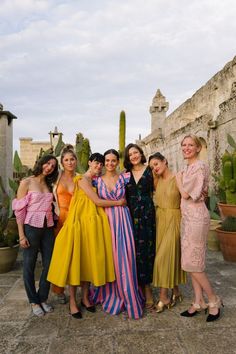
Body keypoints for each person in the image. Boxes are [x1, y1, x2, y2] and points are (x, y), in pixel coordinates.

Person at [47, 153, 126, 319]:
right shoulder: (82, 179)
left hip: (91, 225)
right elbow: (97, 201)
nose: (98, 167)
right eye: (95, 164)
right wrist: (119, 203)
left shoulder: (95, 181)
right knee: (77, 261)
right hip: (79, 224)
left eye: (100, 165)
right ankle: (73, 302)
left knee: (88, 261)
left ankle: (85, 298)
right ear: (89, 163)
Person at [176, 134, 223, 322]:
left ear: (198, 148)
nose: (186, 148)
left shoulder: (199, 166)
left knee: (193, 262)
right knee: (191, 262)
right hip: (188, 218)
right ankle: (198, 301)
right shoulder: (189, 167)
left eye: (190, 145)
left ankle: (213, 299)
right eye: (184, 145)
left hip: (196, 218)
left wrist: (178, 180)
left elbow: (186, 194)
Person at [93, 149, 143, 319]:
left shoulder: (125, 177)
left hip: (123, 219)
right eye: (107, 161)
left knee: (125, 256)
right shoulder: (96, 181)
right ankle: (109, 294)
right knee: (110, 258)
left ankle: (128, 295)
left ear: (118, 162)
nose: (110, 164)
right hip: (106, 221)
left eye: (113, 160)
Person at [12, 154, 59, 317]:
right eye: (47, 163)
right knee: (29, 265)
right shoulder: (26, 182)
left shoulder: (49, 184)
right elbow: (19, 210)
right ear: (41, 163)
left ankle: (42, 298)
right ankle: (33, 301)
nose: (49, 167)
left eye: (53, 166)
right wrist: (22, 235)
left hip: (48, 227)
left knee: (49, 264)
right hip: (30, 227)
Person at [149, 152, 186, 313]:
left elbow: (187, 198)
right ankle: (176, 291)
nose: (155, 168)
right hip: (160, 220)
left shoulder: (178, 177)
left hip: (174, 218)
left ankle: (164, 296)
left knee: (163, 258)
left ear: (165, 161)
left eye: (156, 164)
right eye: (152, 166)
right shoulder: (156, 181)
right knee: (169, 256)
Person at [124, 143, 156, 308]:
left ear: (141, 153)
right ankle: (137, 288)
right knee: (133, 251)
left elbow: (161, 186)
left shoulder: (151, 170)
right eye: (130, 155)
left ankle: (148, 288)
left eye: (135, 152)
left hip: (147, 215)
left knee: (147, 251)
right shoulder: (125, 175)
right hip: (130, 216)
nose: (133, 156)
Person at [51, 145, 77, 304]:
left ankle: (76, 286)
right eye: (66, 160)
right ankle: (58, 290)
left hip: (74, 221)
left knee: (74, 256)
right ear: (62, 162)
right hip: (59, 221)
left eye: (72, 159)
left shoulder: (80, 178)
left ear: (76, 161)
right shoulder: (56, 178)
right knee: (59, 256)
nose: (69, 162)